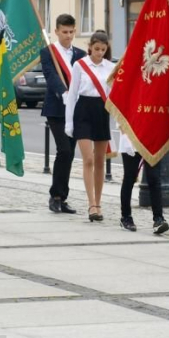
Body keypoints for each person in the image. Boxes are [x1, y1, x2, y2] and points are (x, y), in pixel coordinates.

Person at [64, 31, 115, 223]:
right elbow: (72, 93)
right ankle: (91, 203)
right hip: (83, 110)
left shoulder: (111, 67)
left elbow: (114, 94)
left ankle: (99, 202)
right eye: (96, 49)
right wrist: (69, 122)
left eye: (103, 50)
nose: (99, 53)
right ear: (90, 47)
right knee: (88, 159)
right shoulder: (80, 65)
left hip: (101, 111)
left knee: (101, 161)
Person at [41, 14, 86, 214]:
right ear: (57, 31)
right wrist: (63, 92)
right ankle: (55, 195)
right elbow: (50, 76)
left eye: (71, 32)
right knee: (64, 150)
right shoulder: (48, 52)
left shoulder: (80, 54)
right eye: (64, 32)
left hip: (75, 109)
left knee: (69, 154)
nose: (68, 36)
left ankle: (63, 197)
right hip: (57, 109)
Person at [118, 126, 169, 234]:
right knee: (130, 177)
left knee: (154, 178)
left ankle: (158, 219)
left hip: (151, 137)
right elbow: (122, 111)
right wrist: (124, 134)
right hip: (131, 135)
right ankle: (126, 217)